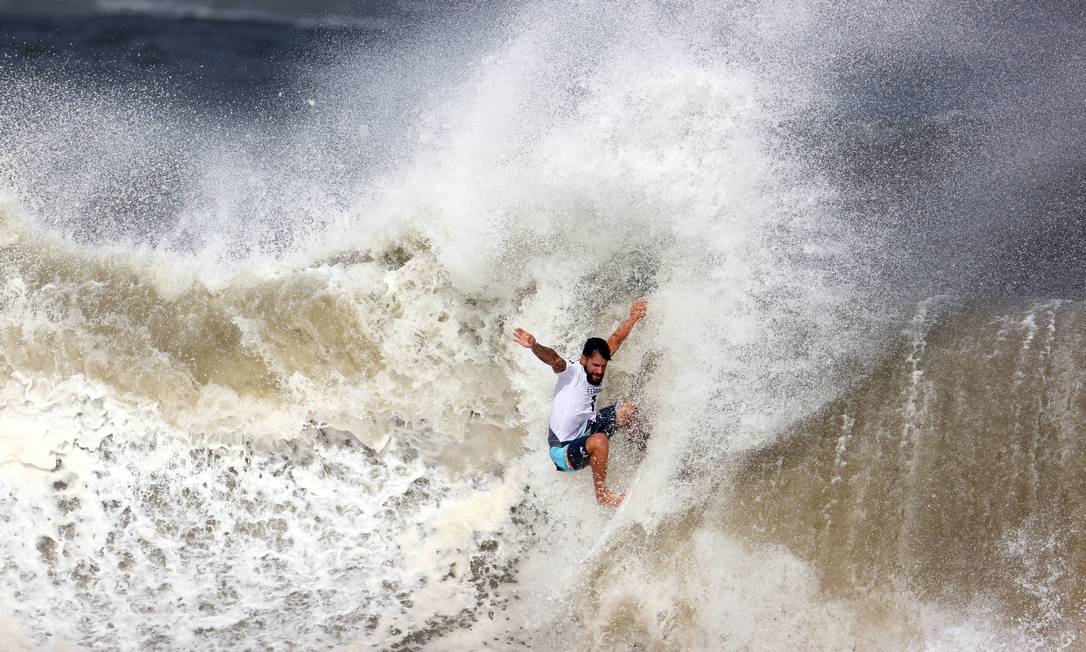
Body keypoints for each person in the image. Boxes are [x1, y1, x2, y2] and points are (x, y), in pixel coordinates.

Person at [513, 298, 647, 507]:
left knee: (627, 410)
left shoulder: (598, 364)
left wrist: (634, 317)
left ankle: (645, 453)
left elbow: (615, 339)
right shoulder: (571, 371)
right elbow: (554, 359)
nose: (599, 371)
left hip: (586, 430)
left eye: (603, 366)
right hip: (563, 450)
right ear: (584, 359)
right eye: (595, 366)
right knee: (600, 440)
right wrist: (534, 346)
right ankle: (602, 495)